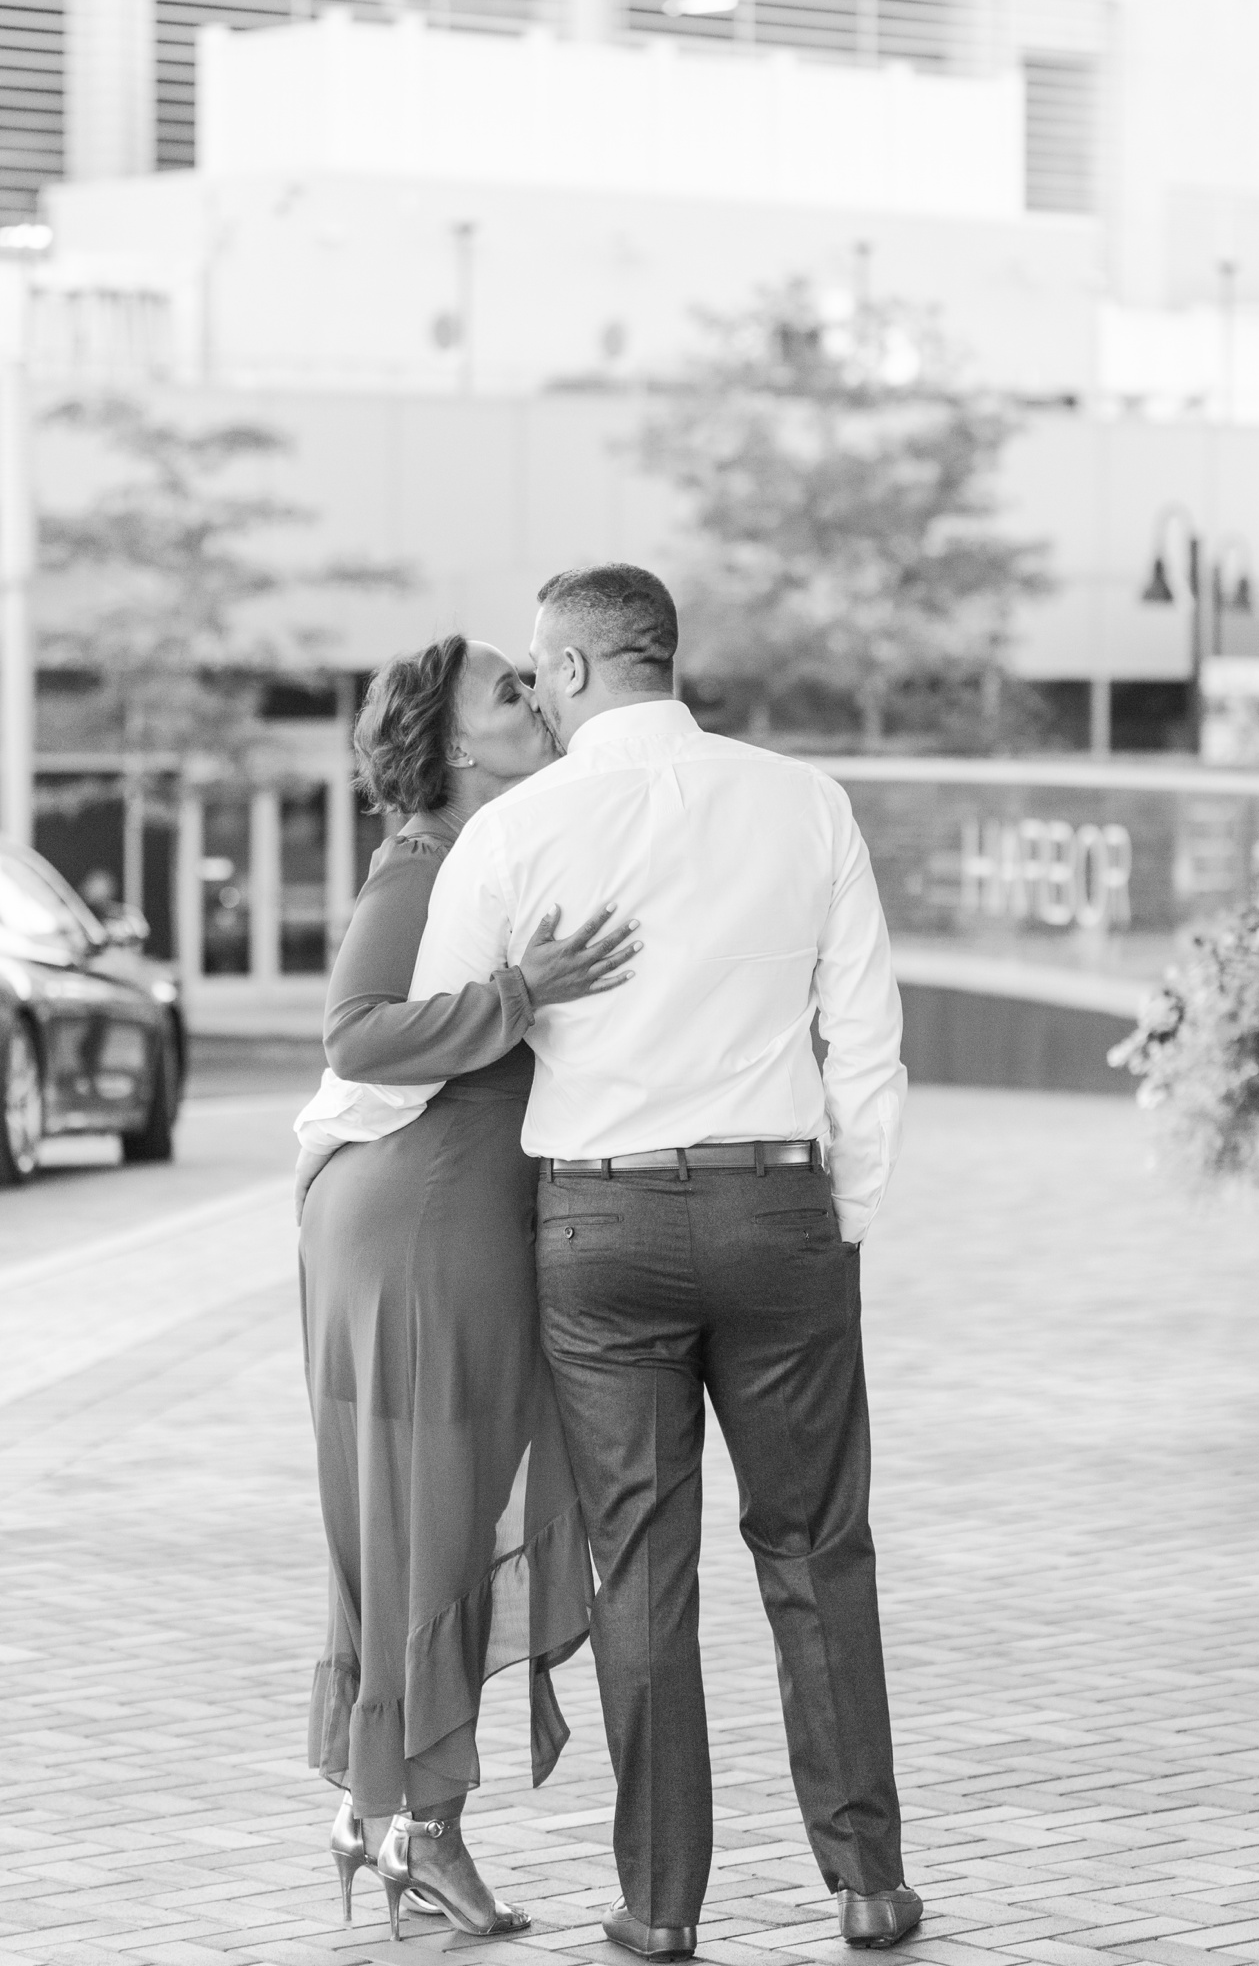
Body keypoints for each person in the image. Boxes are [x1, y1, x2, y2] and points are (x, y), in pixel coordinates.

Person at [326, 566, 920, 1958]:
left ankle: (661, 1908)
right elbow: (871, 1043)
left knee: (644, 1571)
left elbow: (441, 1025)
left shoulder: (517, 829)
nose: (534, 694)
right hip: (781, 1213)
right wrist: (840, 1212)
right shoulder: (806, 800)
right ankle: (869, 1881)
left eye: (540, 672)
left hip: (599, 1233)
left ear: (583, 670)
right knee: (818, 1548)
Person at [294, 633, 639, 1942]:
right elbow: (357, 1024)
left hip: (445, 1217)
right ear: (448, 743)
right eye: (508, 687)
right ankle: (421, 1826)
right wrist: (518, 992)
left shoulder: (491, 849)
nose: (534, 697)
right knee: (431, 1518)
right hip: (421, 1220)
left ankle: (378, 1807)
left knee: (422, 1515)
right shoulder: (425, 861)